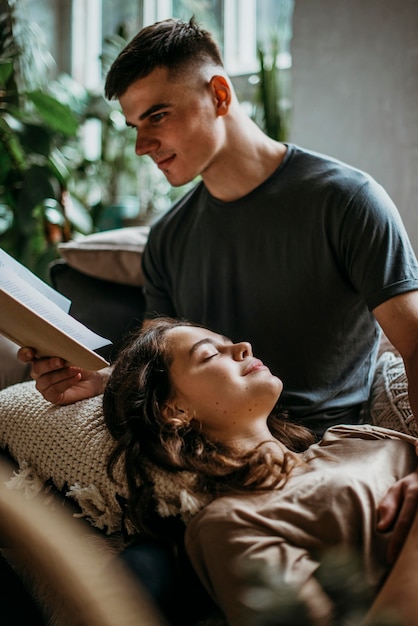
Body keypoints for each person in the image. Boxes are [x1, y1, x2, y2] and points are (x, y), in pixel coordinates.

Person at [18, 16, 418, 437]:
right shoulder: (168, 237)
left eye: (157, 116)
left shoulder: (347, 200)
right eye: (136, 126)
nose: (140, 146)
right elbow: (158, 364)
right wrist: (98, 380)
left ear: (220, 95)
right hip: (206, 446)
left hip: (326, 451)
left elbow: (413, 343)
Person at [102, 317, 418, 626]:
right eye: (210, 354)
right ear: (174, 411)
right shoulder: (230, 523)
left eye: (229, 342)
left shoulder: (351, 437)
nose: (244, 346)